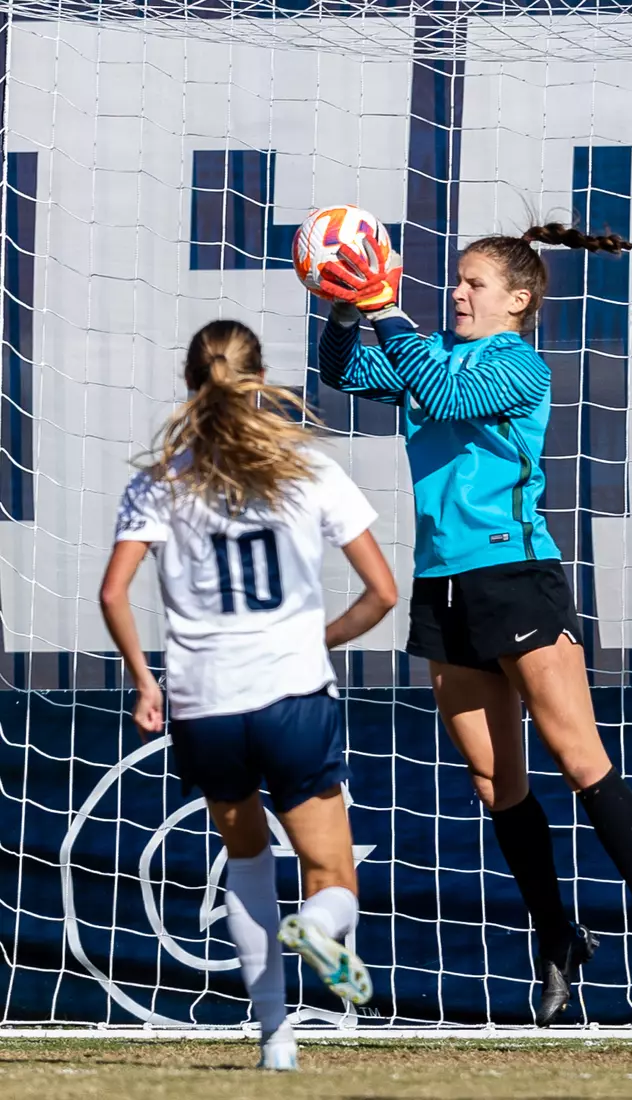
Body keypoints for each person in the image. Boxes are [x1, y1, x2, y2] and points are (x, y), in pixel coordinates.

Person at [313, 222, 632, 1026]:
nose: (455, 292)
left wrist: (383, 305)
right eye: (453, 281)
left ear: (517, 300)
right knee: (494, 783)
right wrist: (344, 308)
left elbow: (443, 394)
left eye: (472, 282)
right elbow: (341, 374)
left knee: (578, 757)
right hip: (442, 588)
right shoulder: (433, 353)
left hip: (515, 577)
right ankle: (556, 938)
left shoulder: (515, 364)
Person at [99, 320, 397, 1069]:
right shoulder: (306, 468)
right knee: (328, 874)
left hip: (205, 703)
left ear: (190, 380)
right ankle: (322, 930)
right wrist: (316, 638)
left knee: (247, 859)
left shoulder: (162, 479)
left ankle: (276, 1043)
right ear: (260, 377)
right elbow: (382, 593)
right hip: (291, 696)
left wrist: (144, 682)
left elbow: (113, 593)